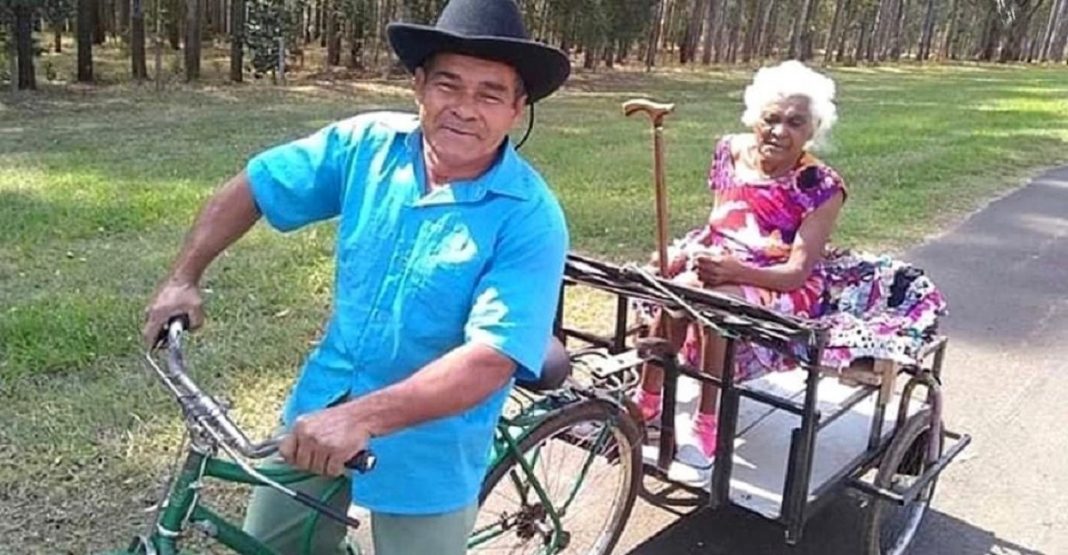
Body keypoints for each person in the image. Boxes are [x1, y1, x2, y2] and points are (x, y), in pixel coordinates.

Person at [140, 0, 571, 553]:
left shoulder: (530, 216)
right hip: (322, 405)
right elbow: (257, 184)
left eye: (490, 93)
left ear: (517, 108)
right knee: (268, 544)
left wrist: (362, 418)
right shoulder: (367, 146)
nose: (465, 108)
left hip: (432, 447)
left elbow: (490, 359)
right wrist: (184, 276)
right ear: (419, 86)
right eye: (448, 84)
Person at [633, 61, 847, 468]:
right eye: (772, 118)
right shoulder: (729, 151)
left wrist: (734, 272)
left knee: (715, 302)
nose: (780, 131)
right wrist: (685, 252)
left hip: (781, 280)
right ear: (755, 118)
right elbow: (723, 224)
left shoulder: (822, 186)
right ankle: (645, 401)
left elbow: (797, 272)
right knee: (675, 291)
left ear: (812, 130)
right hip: (720, 265)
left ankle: (707, 423)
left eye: (795, 123)